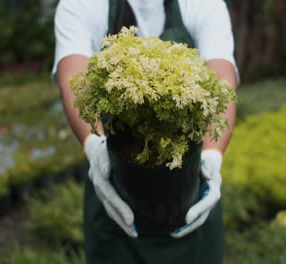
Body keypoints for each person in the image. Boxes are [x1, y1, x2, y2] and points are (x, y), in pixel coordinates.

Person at [52, 0, 238, 263]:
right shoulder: (81, 4)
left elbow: (221, 77)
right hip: (112, 190)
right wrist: (94, 144)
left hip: (192, 194)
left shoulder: (203, 3)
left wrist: (212, 154)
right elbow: (75, 79)